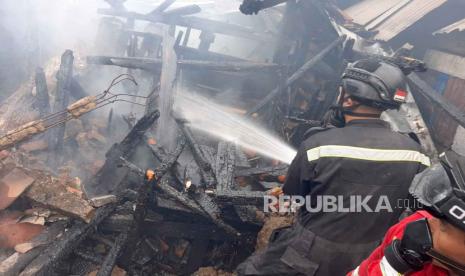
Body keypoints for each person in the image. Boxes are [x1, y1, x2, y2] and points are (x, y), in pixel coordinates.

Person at [236, 59, 431, 276]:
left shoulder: (319, 145)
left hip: (312, 252)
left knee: (253, 270)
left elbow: (294, 192)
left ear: (348, 99)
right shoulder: (416, 152)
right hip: (371, 256)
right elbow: (415, 204)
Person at [349, 151, 465, 276]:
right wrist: (395, 264)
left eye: (443, 227)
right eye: (437, 218)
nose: (429, 223)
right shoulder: (414, 224)